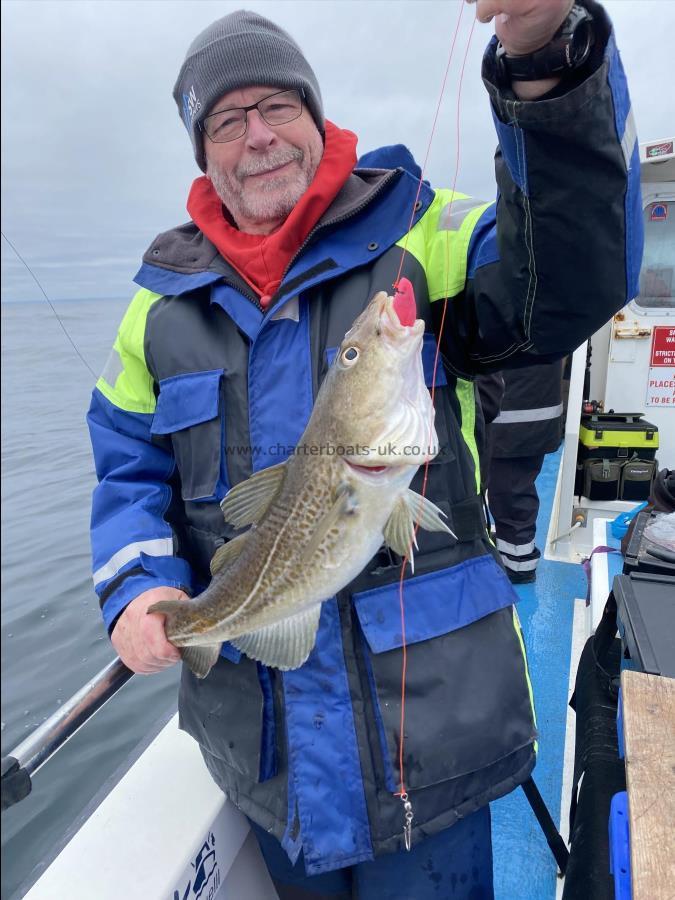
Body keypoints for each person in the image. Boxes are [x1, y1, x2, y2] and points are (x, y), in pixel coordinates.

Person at [86, 3, 642, 897]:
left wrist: (547, 61)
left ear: (316, 115)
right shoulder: (157, 308)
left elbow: (571, 272)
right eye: (227, 120)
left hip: (427, 747)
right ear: (202, 152)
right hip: (268, 765)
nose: (258, 135)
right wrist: (139, 584)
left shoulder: (418, 225)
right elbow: (126, 465)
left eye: (278, 106)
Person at [486, 361, 565, 583]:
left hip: (513, 413)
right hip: (534, 407)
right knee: (516, 487)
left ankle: (517, 564)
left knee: (510, 490)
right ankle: (513, 550)